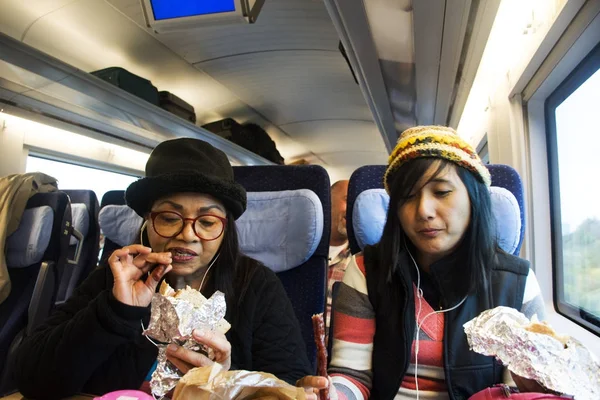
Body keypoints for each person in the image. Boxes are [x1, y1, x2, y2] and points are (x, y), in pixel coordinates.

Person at [14, 138, 312, 399]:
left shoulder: (256, 285)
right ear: (147, 222)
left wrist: (226, 384)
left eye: (207, 222)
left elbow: (289, 386)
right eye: (170, 217)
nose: (188, 234)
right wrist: (115, 312)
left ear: (226, 231)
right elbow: (33, 379)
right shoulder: (116, 278)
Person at [298, 126, 545, 399]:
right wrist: (329, 395)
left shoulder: (517, 283)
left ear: (473, 198)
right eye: (408, 197)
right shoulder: (366, 271)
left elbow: (519, 389)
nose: (424, 211)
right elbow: (353, 376)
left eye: (441, 192)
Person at [327, 180, 351, 333]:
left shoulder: (361, 261)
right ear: (327, 202)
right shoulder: (299, 253)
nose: (354, 208)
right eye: (348, 200)